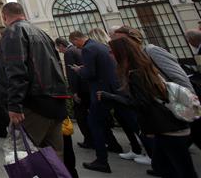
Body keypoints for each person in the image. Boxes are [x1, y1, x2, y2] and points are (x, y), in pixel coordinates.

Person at [100, 36, 198, 178]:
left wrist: (111, 97)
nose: (109, 54)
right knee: (163, 165)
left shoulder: (135, 74)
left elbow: (142, 103)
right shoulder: (144, 67)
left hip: (166, 127)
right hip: (167, 126)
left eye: (111, 51)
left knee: (182, 169)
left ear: (121, 53)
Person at [0, 2, 69, 159]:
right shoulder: (41, 32)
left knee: (21, 156)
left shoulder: (13, 32)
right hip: (54, 101)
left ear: (4, 16)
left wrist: (14, 104)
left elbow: (16, 70)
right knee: (53, 158)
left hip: (33, 105)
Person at [69, 29, 143, 173]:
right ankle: (156, 157)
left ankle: (101, 160)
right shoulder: (100, 46)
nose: (75, 46)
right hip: (115, 89)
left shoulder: (88, 49)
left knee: (94, 123)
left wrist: (79, 71)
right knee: (132, 122)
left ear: (78, 39)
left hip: (101, 92)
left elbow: (90, 73)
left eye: (74, 43)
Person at [55, 37, 92, 149]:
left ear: (61, 45)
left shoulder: (69, 53)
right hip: (86, 87)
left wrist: (74, 91)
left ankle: (89, 139)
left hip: (80, 89)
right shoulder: (77, 50)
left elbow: (72, 74)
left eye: (59, 48)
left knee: (81, 115)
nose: (60, 51)